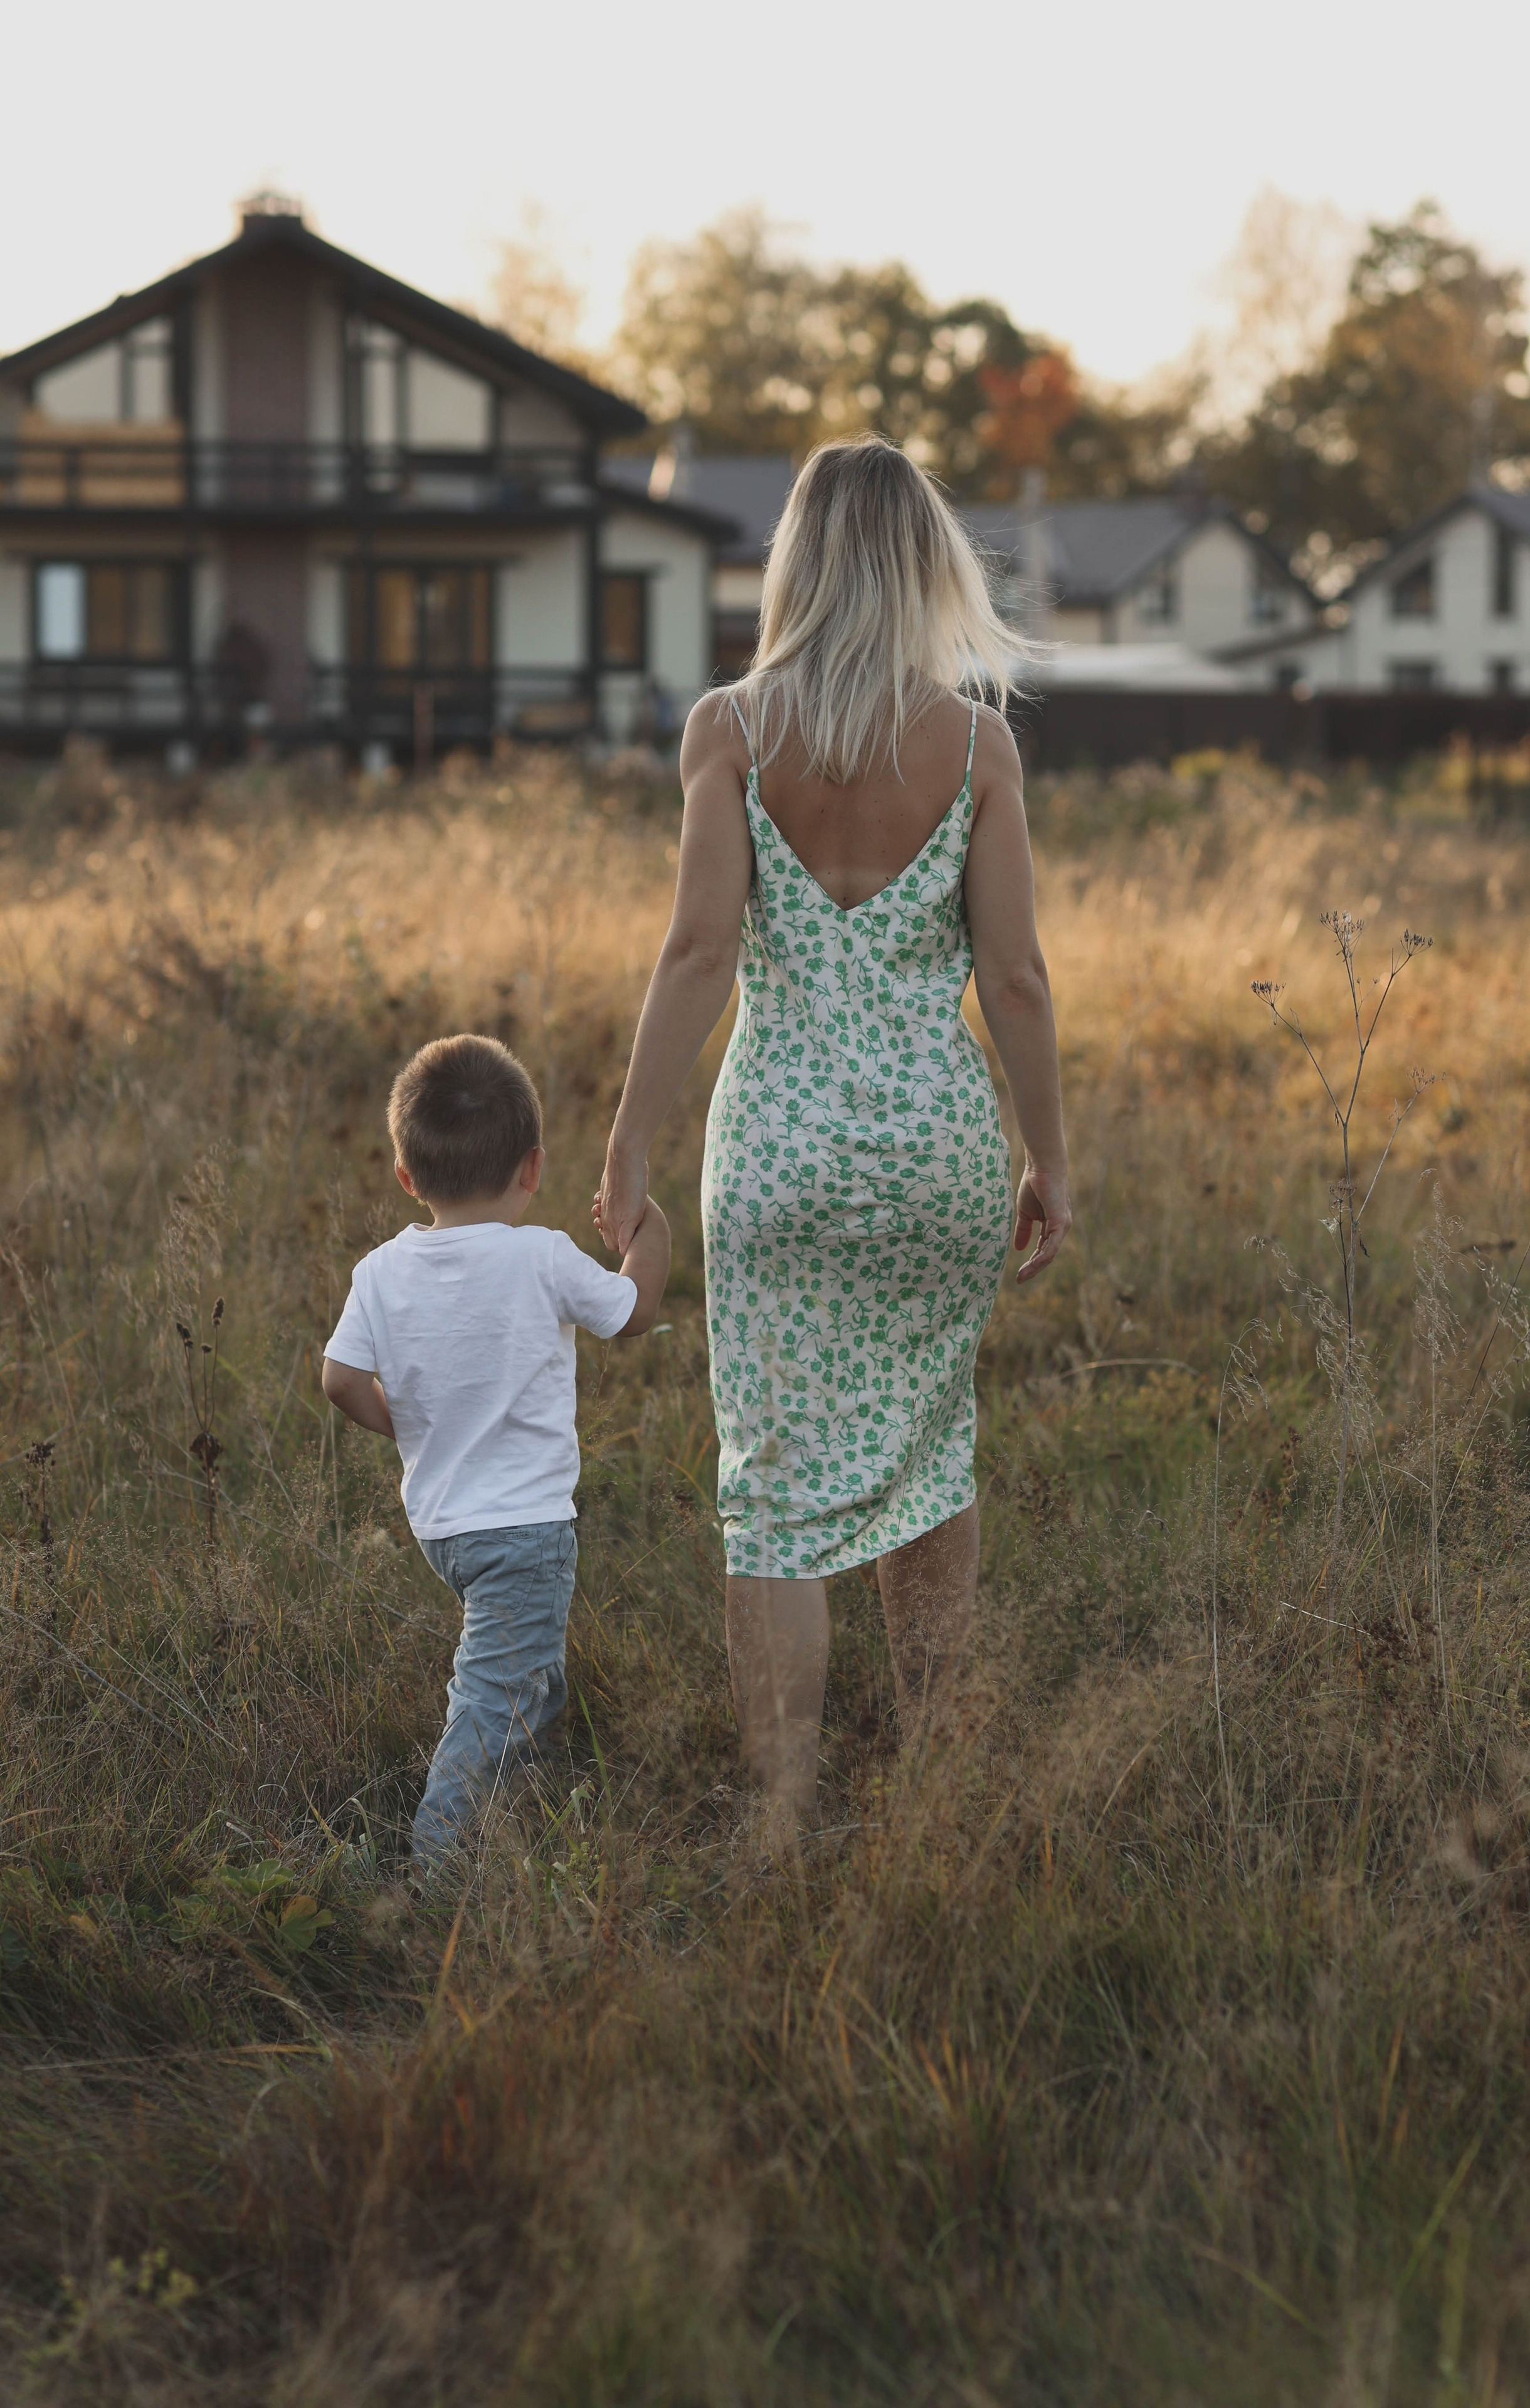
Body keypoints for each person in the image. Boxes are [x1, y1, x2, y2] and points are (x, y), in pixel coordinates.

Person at [593, 435, 1068, 1834]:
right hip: (934, 1157)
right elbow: (1018, 978)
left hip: (777, 1158)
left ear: (794, 562)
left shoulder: (730, 732)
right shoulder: (976, 745)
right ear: (926, 564)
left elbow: (694, 954)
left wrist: (625, 1148)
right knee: (930, 1452)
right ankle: (933, 1790)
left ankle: (783, 1821)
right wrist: (1047, 1157)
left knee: (775, 1494)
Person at [322, 1033, 670, 1863]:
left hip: (444, 1526)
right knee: (492, 1694)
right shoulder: (542, 1256)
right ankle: (441, 1863)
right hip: (524, 1529)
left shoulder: (379, 1271)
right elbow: (633, 1313)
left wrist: (408, 1425)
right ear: (534, 1168)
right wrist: (645, 1229)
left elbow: (337, 1378)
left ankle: (523, 1803)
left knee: (527, 1670)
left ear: (408, 1177)